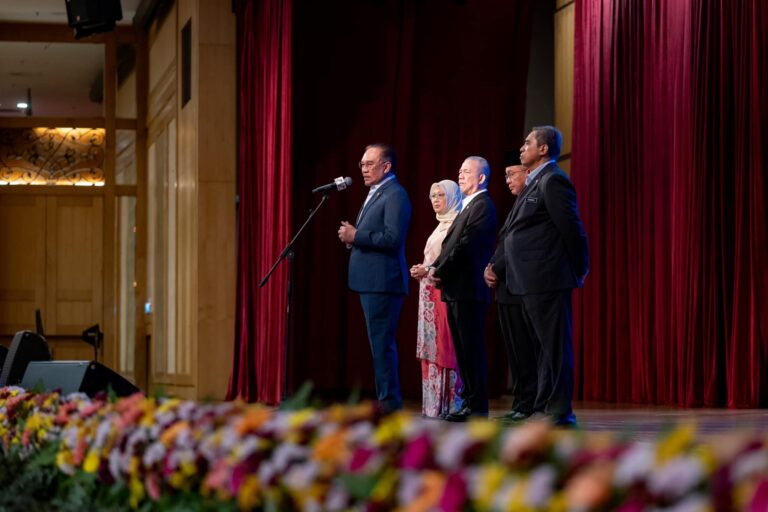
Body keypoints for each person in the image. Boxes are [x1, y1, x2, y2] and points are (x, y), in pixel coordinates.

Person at [504, 126, 589, 427]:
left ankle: (559, 410)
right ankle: (543, 407)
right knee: (542, 349)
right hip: (529, 280)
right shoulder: (533, 182)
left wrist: (579, 268)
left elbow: (572, 229)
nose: (521, 147)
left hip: (548, 278)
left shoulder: (553, 181)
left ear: (543, 150)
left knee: (554, 347)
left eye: (528, 143)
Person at [338, 143, 412, 413]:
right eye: (362, 164)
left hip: (383, 283)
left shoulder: (395, 194)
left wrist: (356, 236)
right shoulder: (376, 192)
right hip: (370, 282)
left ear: (386, 166)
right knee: (377, 345)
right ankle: (385, 400)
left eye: (369, 164)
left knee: (382, 345)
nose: (364, 170)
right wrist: (353, 240)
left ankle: (390, 403)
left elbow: (393, 239)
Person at [429, 156, 497, 421]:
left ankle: (476, 405)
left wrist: (439, 270)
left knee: (471, 349)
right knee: (463, 350)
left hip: (469, 289)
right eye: (459, 171)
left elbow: (466, 246)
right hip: (457, 288)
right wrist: (436, 268)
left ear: (481, 178)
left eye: (467, 171)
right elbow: (451, 246)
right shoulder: (469, 206)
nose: (460, 175)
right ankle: (469, 401)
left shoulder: (483, 205)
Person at [484, 165, 538, 425]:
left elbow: (521, 242)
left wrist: (497, 267)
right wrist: (489, 267)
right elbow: (504, 242)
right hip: (505, 287)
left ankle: (528, 403)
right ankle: (520, 402)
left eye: (512, 174)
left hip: (520, 286)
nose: (507, 180)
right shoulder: (517, 203)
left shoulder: (532, 201)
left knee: (525, 349)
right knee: (514, 352)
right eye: (504, 175)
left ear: (528, 175)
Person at [409, 180, 464, 418]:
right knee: (432, 348)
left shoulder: (456, 224)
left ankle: (450, 403)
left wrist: (428, 270)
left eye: (441, 195)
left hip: (443, 292)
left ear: (452, 196)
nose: (436, 199)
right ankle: (433, 405)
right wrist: (421, 268)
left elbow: (451, 261)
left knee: (445, 345)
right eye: (432, 196)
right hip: (429, 292)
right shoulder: (440, 226)